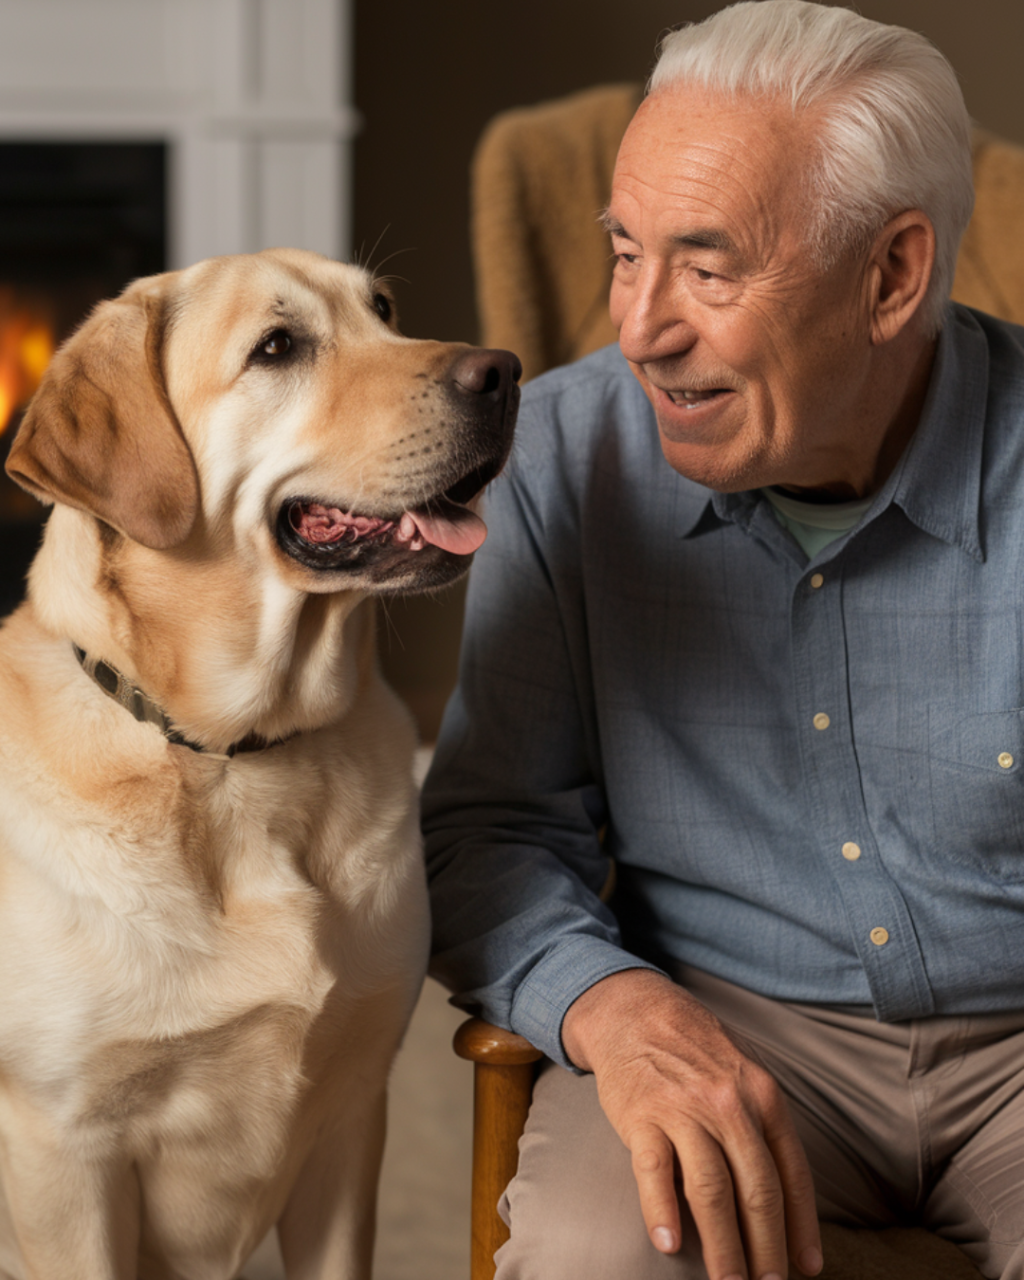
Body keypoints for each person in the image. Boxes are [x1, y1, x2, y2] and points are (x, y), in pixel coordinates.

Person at [422, 3, 1024, 1278]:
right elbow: (487, 831)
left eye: (707, 268)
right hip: (729, 1024)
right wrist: (614, 1006)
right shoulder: (559, 460)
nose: (641, 327)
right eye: (624, 254)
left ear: (891, 277)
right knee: (596, 1255)